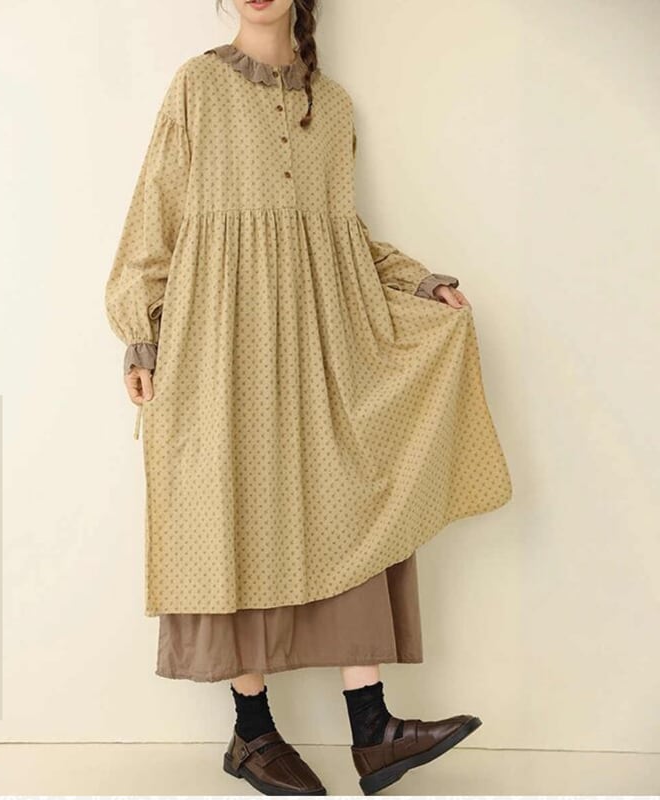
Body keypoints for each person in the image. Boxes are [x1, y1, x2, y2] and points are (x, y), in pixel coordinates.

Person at [104, 0, 513, 794]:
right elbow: (155, 213)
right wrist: (141, 333)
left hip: (317, 340)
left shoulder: (334, 105)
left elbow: (339, 233)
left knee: (343, 500)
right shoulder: (197, 86)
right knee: (228, 511)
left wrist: (418, 283)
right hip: (216, 341)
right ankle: (252, 732)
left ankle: (374, 728)